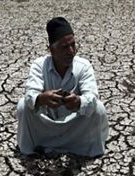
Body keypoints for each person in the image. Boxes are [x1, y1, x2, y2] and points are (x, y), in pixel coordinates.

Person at [16, 17, 109, 158]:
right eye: (65, 47)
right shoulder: (39, 65)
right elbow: (30, 95)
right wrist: (42, 99)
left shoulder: (83, 66)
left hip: (75, 126)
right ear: (52, 51)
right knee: (23, 105)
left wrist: (78, 102)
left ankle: (86, 148)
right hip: (47, 125)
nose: (71, 51)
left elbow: (91, 97)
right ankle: (30, 150)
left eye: (73, 45)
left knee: (98, 108)